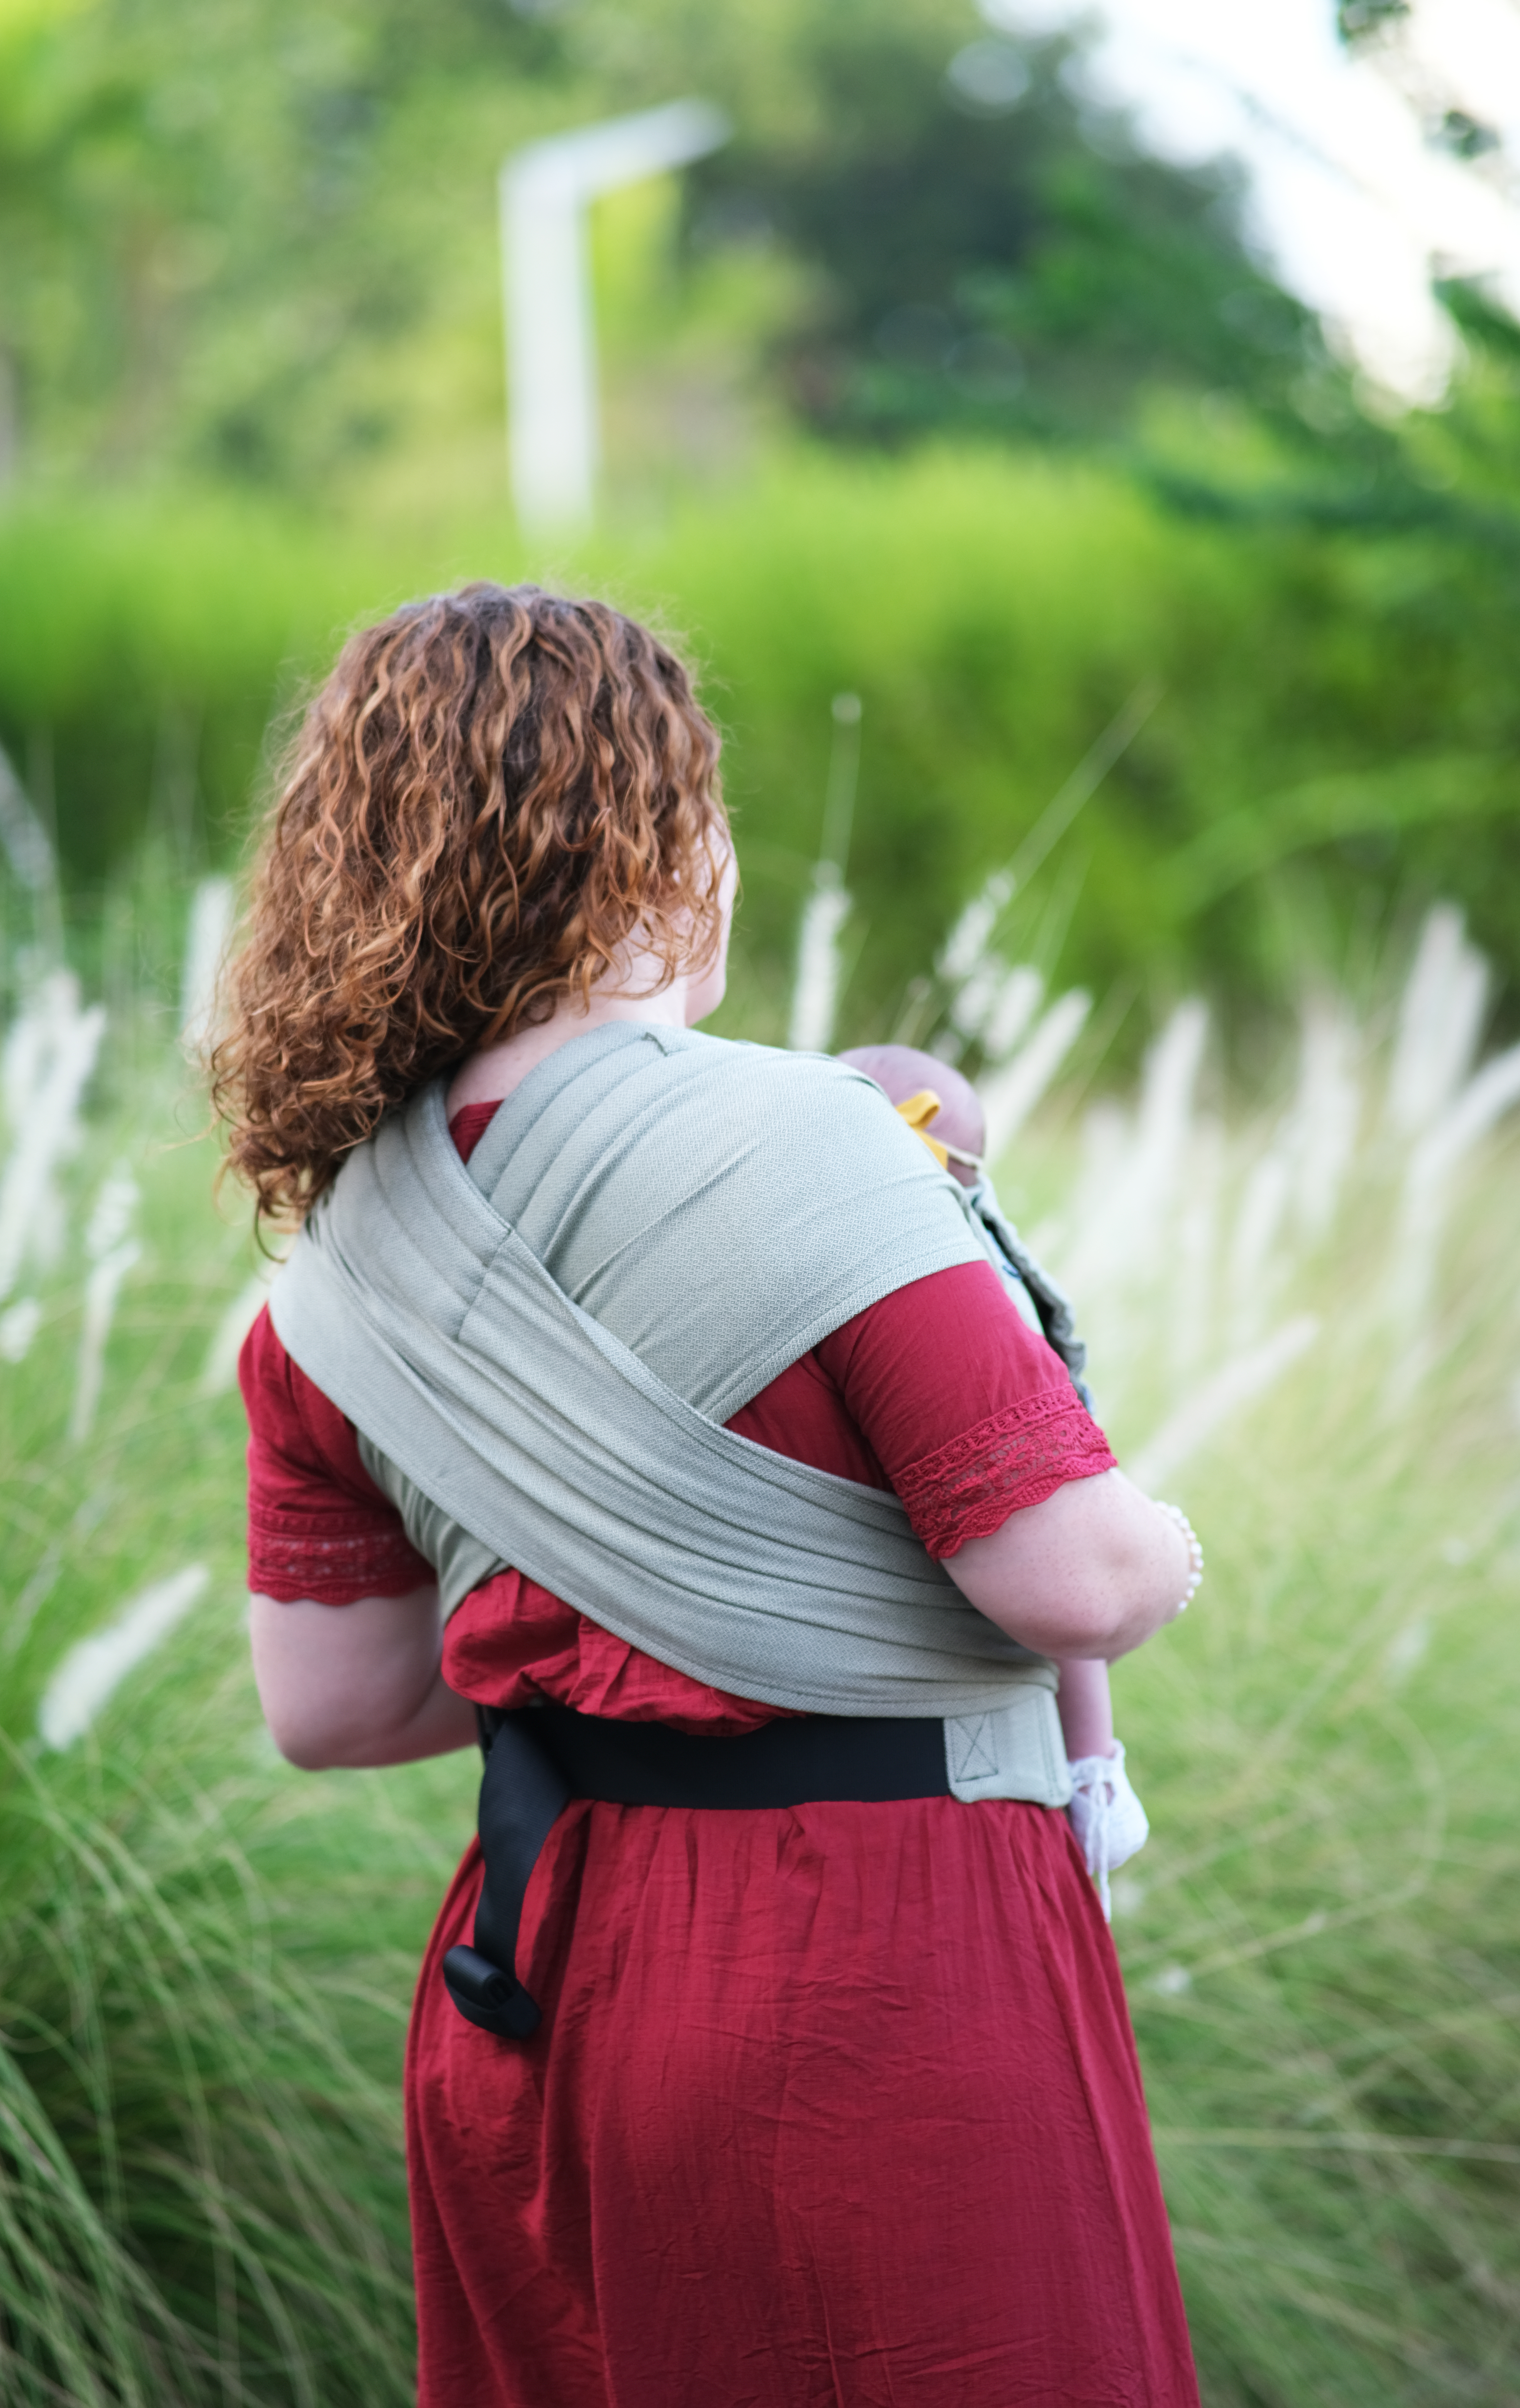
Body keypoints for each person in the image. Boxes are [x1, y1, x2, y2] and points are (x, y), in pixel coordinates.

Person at [215, 582, 1204, 2408]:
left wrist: (611, 1599)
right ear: (659, 839)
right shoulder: (816, 1145)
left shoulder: (338, 1262)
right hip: (870, 1963)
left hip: (538, 1965)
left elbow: (337, 1703)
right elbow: (1068, 1576)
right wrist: (1169, 1541)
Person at [838, 1043, 1169, 1913]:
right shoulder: (898, 1229)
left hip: (1033, 1459)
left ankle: (1095, 1772)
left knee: (1069, 1623)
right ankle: (1092, 1770)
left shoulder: (959, 1249)